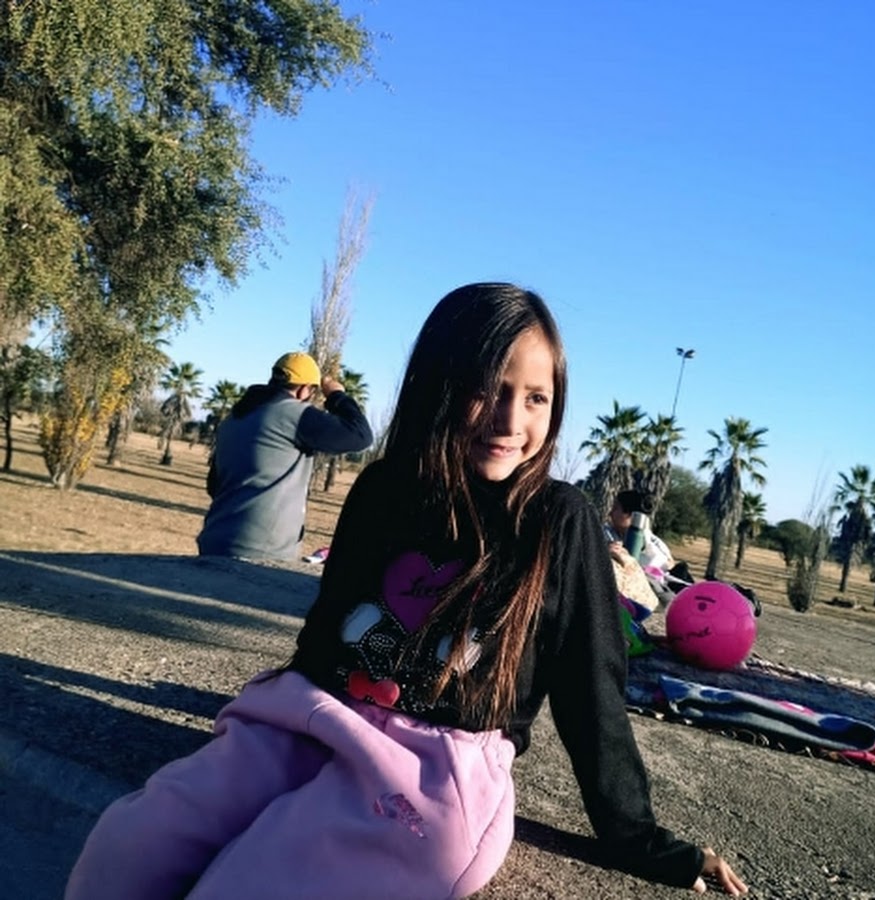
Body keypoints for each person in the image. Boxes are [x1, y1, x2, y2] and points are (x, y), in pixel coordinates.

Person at [66, 284, 747, 899]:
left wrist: (640, 840)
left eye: (535, 397)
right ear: (438, 385)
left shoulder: (558, 519)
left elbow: (589, 685)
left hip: (437, 772)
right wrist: (274, 724)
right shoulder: (383, 489)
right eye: (487, 388)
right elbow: (328, 628)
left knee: (253, 880)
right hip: (321, 713)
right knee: (132, 844)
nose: (511, 419)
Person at [196, 352, 372, 561]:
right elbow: (360, 436)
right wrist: (337, 396)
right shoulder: (294, 414)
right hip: (260, 551)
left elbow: (214, 485)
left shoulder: (234, 418)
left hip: (213, 541)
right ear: (304, 390)